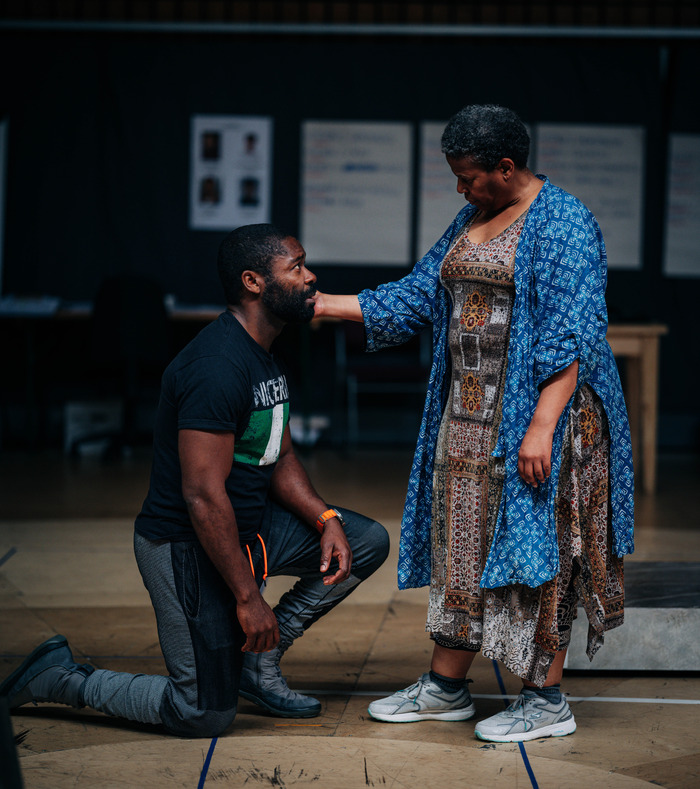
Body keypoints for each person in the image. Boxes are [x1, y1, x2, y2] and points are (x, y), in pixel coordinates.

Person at [313, 105, 634, 743]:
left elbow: (572, 332)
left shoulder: (564, 222)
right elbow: (418, 294)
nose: (459, 189)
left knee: (536, 558)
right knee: (460, 550)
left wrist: (541, 425)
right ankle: (447, 687)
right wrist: (321, 305)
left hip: (543, 422)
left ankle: (546, 701)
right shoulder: (473, 219)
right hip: (466, 421)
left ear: (506, 167)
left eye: (467, 177)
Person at [0, 224, 389, 737]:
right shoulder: (216, 366)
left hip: (249, 527)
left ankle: (257, 662)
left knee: (363, 542)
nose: (309, 276)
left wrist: (325, 517)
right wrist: (249, 599)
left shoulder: (265, 352)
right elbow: (203, 497)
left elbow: (280, 450)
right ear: (254, 282)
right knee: (202, 712)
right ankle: (60, 679)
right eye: (295, 266)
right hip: (185, 544)